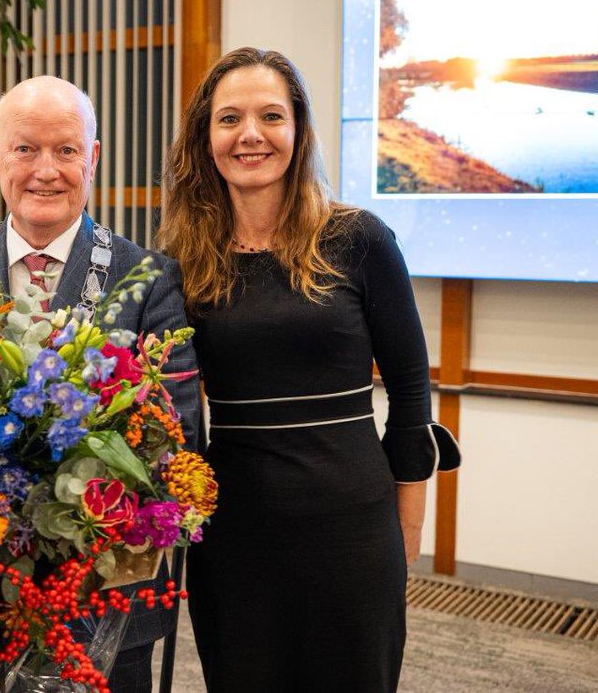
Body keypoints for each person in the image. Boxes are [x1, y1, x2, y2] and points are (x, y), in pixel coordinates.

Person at [159, 47, 460, 693]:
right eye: (229, 118)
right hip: (234, 533)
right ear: (205, 137)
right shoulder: (183, 261)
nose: (250, 135)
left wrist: (406, 531)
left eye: (271, 116)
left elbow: (410, 391)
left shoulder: (361, 240)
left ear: (297, 130)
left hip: (351, 529)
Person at [0, 75, 201, 693]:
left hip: (100, 598)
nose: (46, 170)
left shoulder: (147, 278)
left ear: (93, 158)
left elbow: (179, 435)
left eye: (66, 150)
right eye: (25, 149)